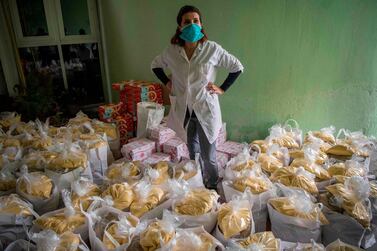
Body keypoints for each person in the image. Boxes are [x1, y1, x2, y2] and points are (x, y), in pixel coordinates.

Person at [151, 5, 243, 189]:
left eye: (196, 21)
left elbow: (237, 67)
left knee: (209, 155)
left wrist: (222, 88)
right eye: (187, 21)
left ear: (201, 25)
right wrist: (167, 83)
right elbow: (155, 65)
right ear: (180, 27)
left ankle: (212, 187)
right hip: (185, 111)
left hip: (205, 110)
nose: (192, 24)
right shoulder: (172, 51)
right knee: (193, 151)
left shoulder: (212, 49)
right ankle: (197, 182)